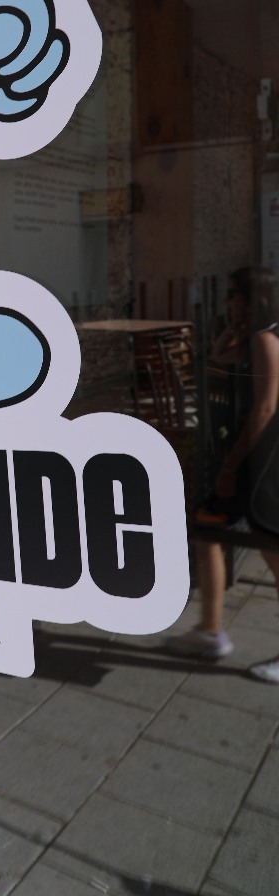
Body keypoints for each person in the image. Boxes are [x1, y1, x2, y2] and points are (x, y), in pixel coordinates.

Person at [167, 266, 279, 681]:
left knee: (269, 549)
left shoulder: (266, 339)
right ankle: (210, 630)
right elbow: (216, 363)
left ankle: (211, 630)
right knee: (208, 530)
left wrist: (231, 465)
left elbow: (265, 408)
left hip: (260, 466)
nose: (228, 301)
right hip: (248, 461)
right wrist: (231, 330)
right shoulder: (252, 337)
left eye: (234, 294)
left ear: (252, 298)